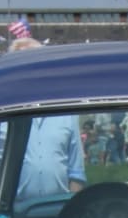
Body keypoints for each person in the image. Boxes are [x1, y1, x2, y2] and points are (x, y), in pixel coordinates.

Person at [7, 37, 87, 202]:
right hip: (15, 213)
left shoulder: (65, 113)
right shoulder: (2, 117)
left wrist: (72, 212)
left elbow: (76, 172)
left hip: (59, 211)